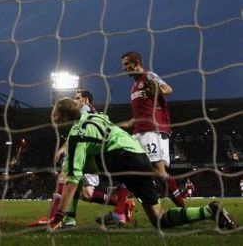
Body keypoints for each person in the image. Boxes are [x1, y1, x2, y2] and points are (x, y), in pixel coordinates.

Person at [48, 97, 238, 231]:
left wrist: (57, 216)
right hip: (139, 156)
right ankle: (209, 210)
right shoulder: (97, 116)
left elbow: (72, 182)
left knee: (71, 170)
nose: (53, 119)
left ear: (63, 117)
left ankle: (66, 218)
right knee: (159, 219)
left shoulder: (76, 135)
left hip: (121, 158)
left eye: (55, 115)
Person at [30, 90, 134, 228]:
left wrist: (63, 149)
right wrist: (63, 148)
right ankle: (123, 204)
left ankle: (57, 216)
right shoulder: (83, 114)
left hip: (88, 153)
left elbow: (82, 131)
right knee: (87, 194)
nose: (74, 101)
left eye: (77, 98)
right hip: (86, 151)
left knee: (66, 177)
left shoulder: (86, 110)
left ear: (86, 100)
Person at [120, 51, 185, 207]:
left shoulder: (149, 76)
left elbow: (168, 89)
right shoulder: (134, 86)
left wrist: (158, 91)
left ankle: (181, 208)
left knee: (158, 171)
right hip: (139, 130)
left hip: (151, 129)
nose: (124, 68)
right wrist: (127, 124)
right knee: (128, 167)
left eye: (127, 64)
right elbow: (141, 112)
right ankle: (121, 211)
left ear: (136, 63)